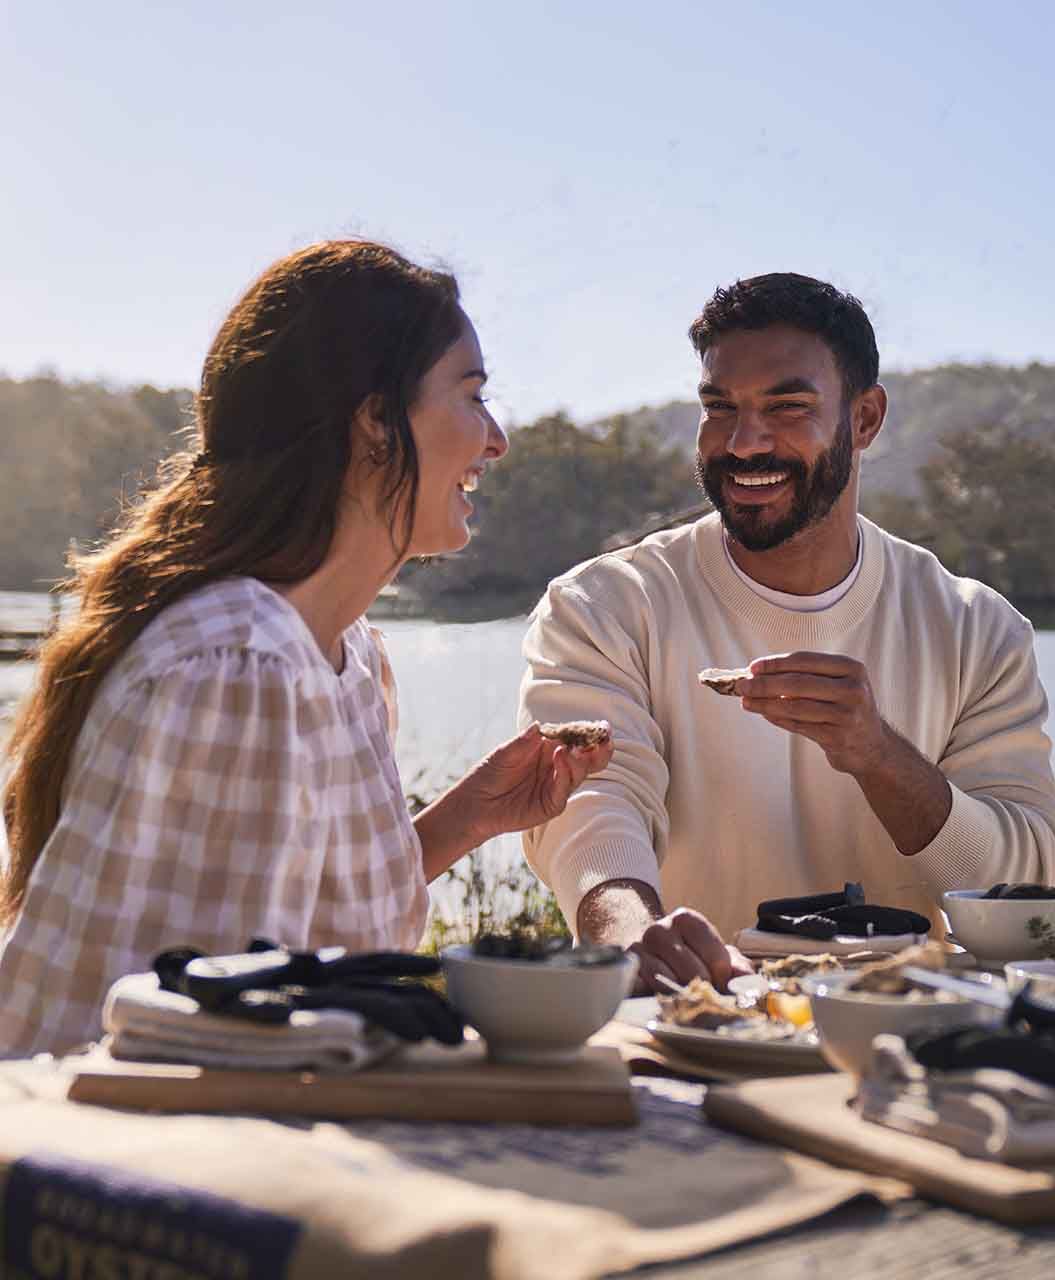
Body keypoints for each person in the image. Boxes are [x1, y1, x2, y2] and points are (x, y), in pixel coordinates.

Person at [0, 241, 612, 1058]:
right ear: (373, 420)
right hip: (93, 1164)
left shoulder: (347, 659)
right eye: (472, 397)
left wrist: (470, 817)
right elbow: (215, 1036)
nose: (496, 439)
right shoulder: (237, 666)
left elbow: (293, 946)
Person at [518, 273, 1055, 993]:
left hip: (910, 1029)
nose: (745, 444)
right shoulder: (604, 605)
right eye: (720, 408)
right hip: (692, 1019)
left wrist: (878, 755)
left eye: (787, 407)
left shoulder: (975, 628)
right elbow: (591, 807)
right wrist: (632, 939)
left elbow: (1029, 885)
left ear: (866, 419)